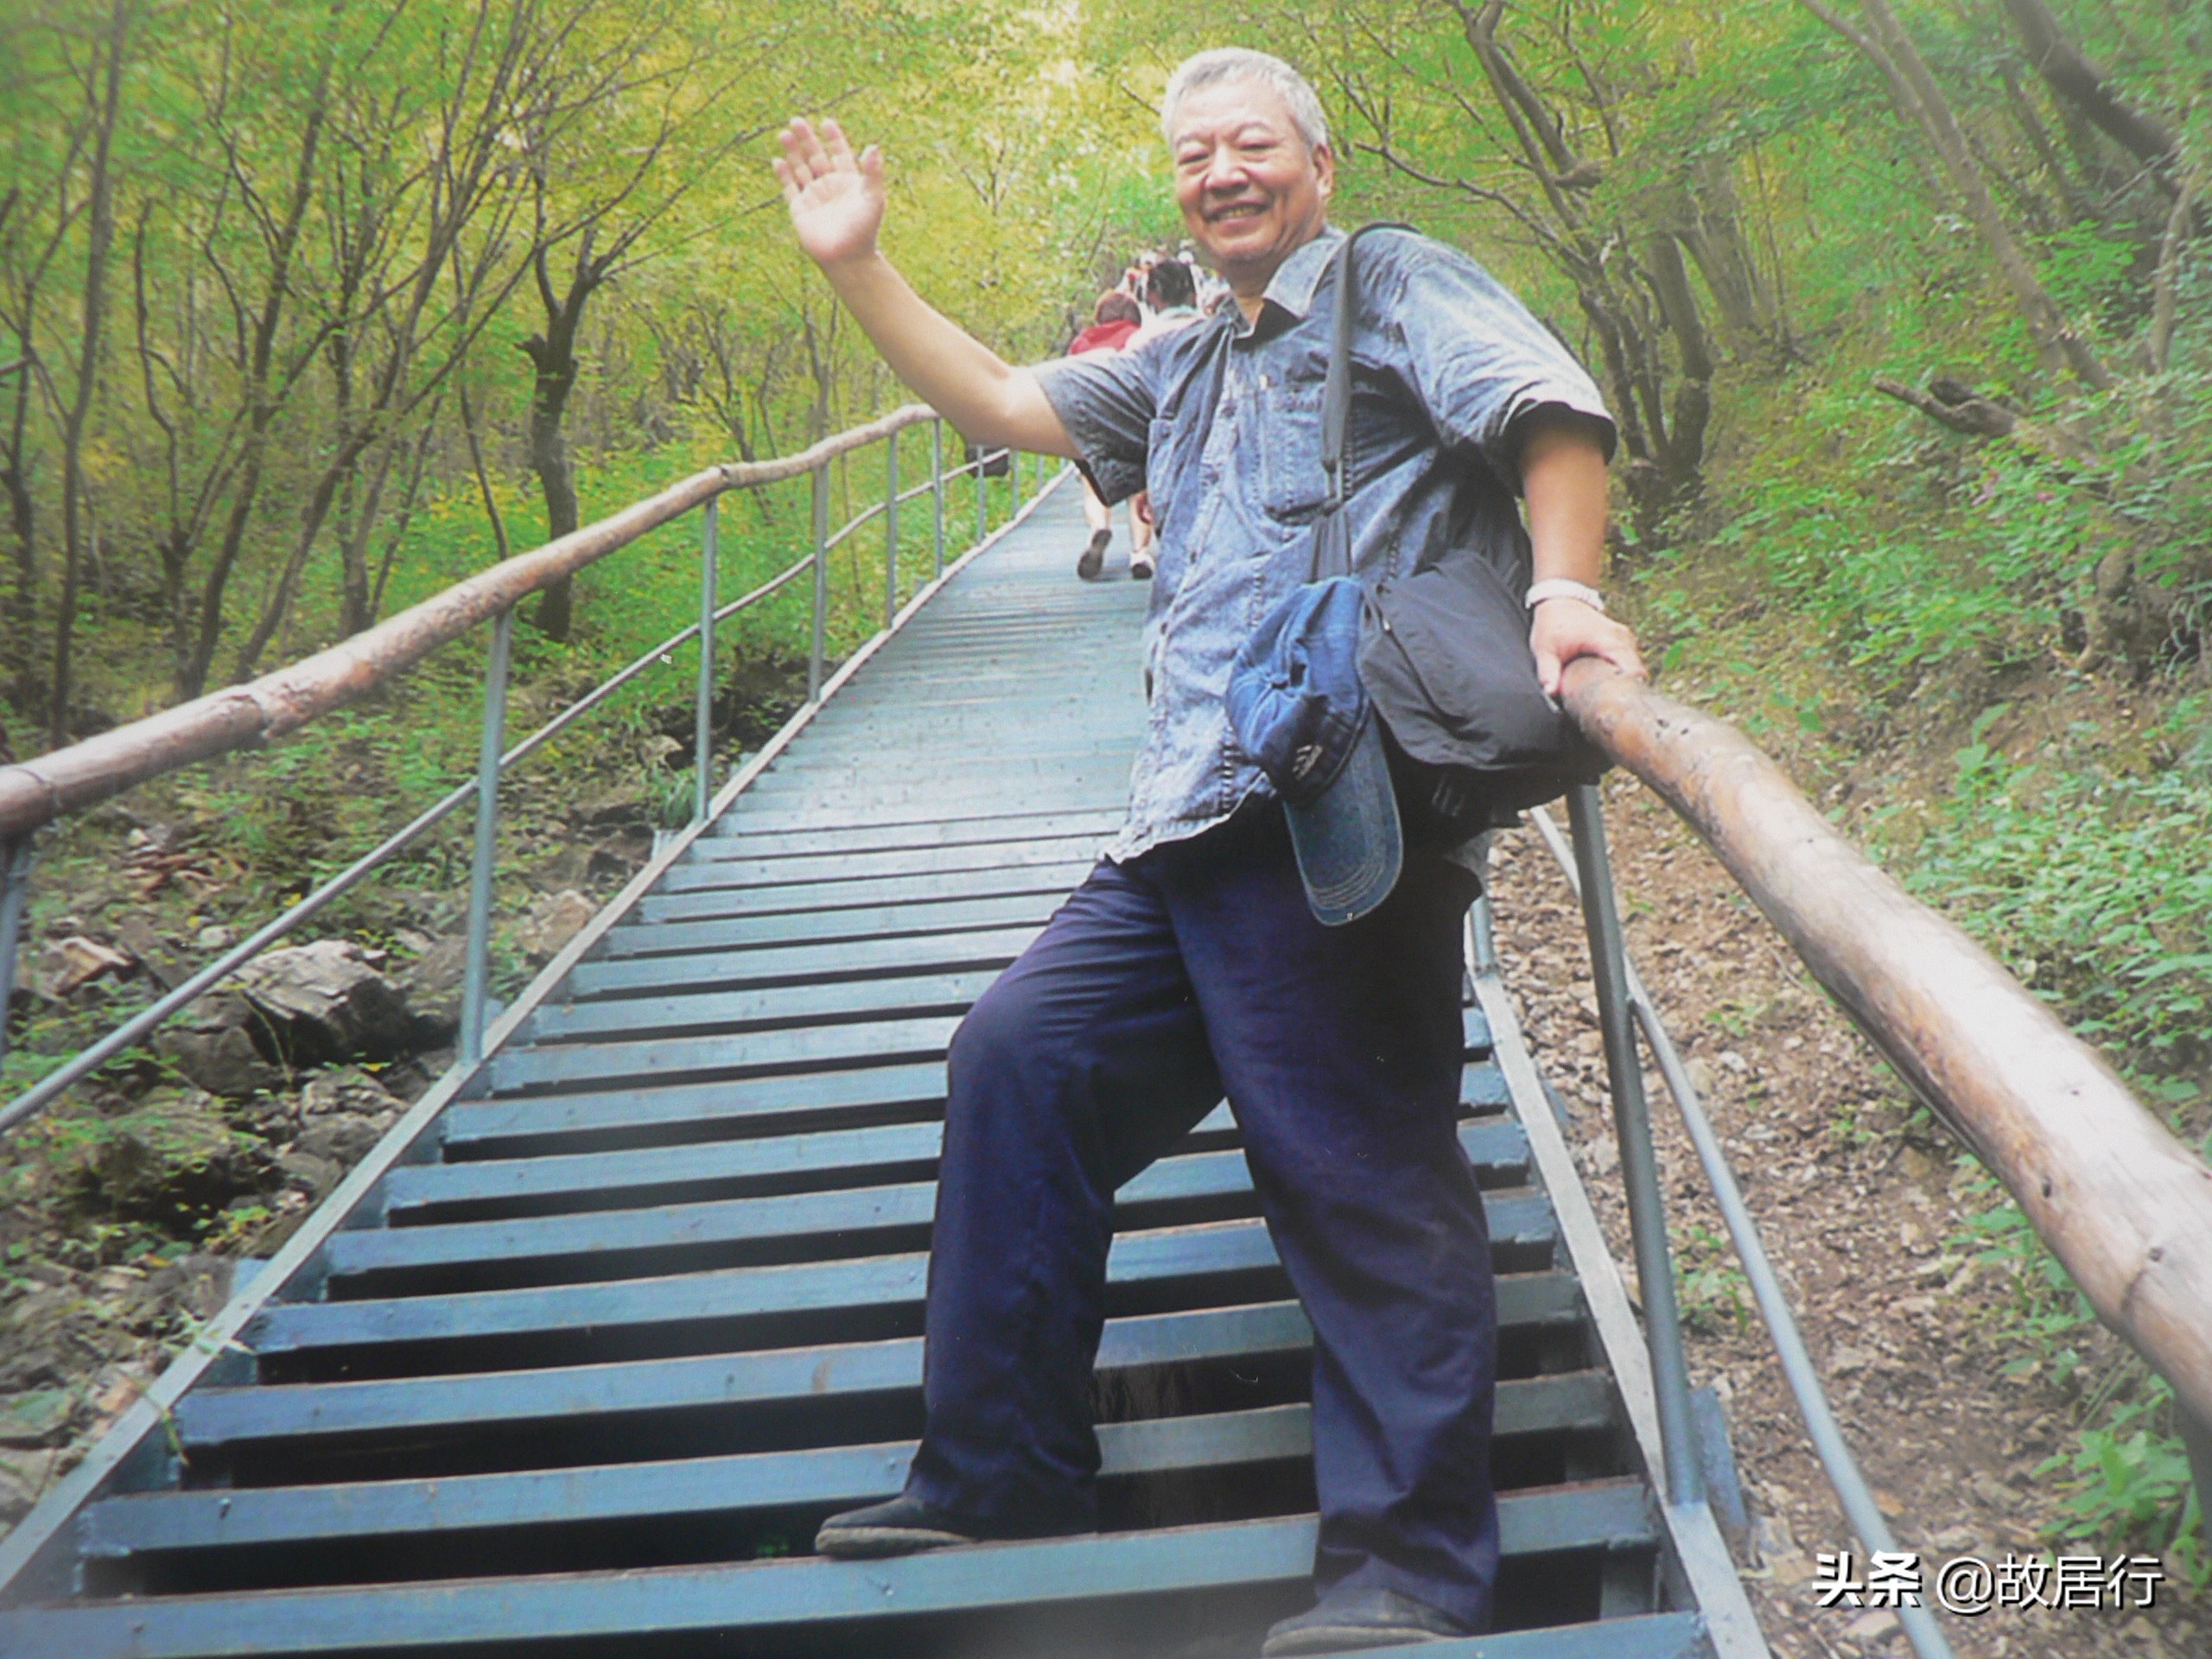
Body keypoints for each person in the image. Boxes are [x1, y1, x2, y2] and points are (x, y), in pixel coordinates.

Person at [773, 43, 1642, 1656]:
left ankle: (1404, 1574)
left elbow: (1550, 412)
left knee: (1355, 1176)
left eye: (1251, 144)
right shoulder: (1178, 364)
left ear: (1316, 161)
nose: (1223, 172)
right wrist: (861, 264)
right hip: (1176, 822)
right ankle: (1002, 1472)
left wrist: (1563, 594)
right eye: (1193, 156)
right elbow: (1000, 402)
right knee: (1016, 1062)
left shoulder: (1388, 285)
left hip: (1332, 812)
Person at [1120, 259, 1201, 579]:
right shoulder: (1220, 332)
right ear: (1193, 295)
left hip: (1164, 445)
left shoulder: (1143, 341)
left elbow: (1136, 403)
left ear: (1152, 295)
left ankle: (1152, 557)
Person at [1067, 291, 1143, 578]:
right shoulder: (1139, 337)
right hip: (1132, 422)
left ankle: (1100, 528)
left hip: (1092, 424)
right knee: (1138, 489)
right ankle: (1140, 554)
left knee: (1094, 485)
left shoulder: (1082, 342)